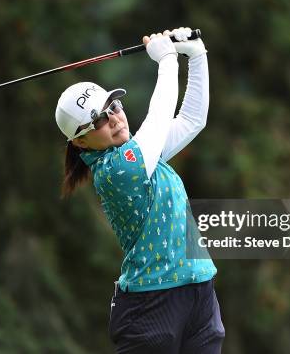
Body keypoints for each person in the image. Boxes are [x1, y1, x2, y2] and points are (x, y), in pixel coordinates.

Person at [54, 27, 225, 353]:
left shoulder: (142, 155)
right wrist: (167, 60)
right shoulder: (116, 170)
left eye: (113, 107)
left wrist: (197, 55)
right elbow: (159, 119)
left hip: (199, 293)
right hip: (152, 307)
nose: (115, 119)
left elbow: (191, 120)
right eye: (100, 120)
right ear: (80, 141)